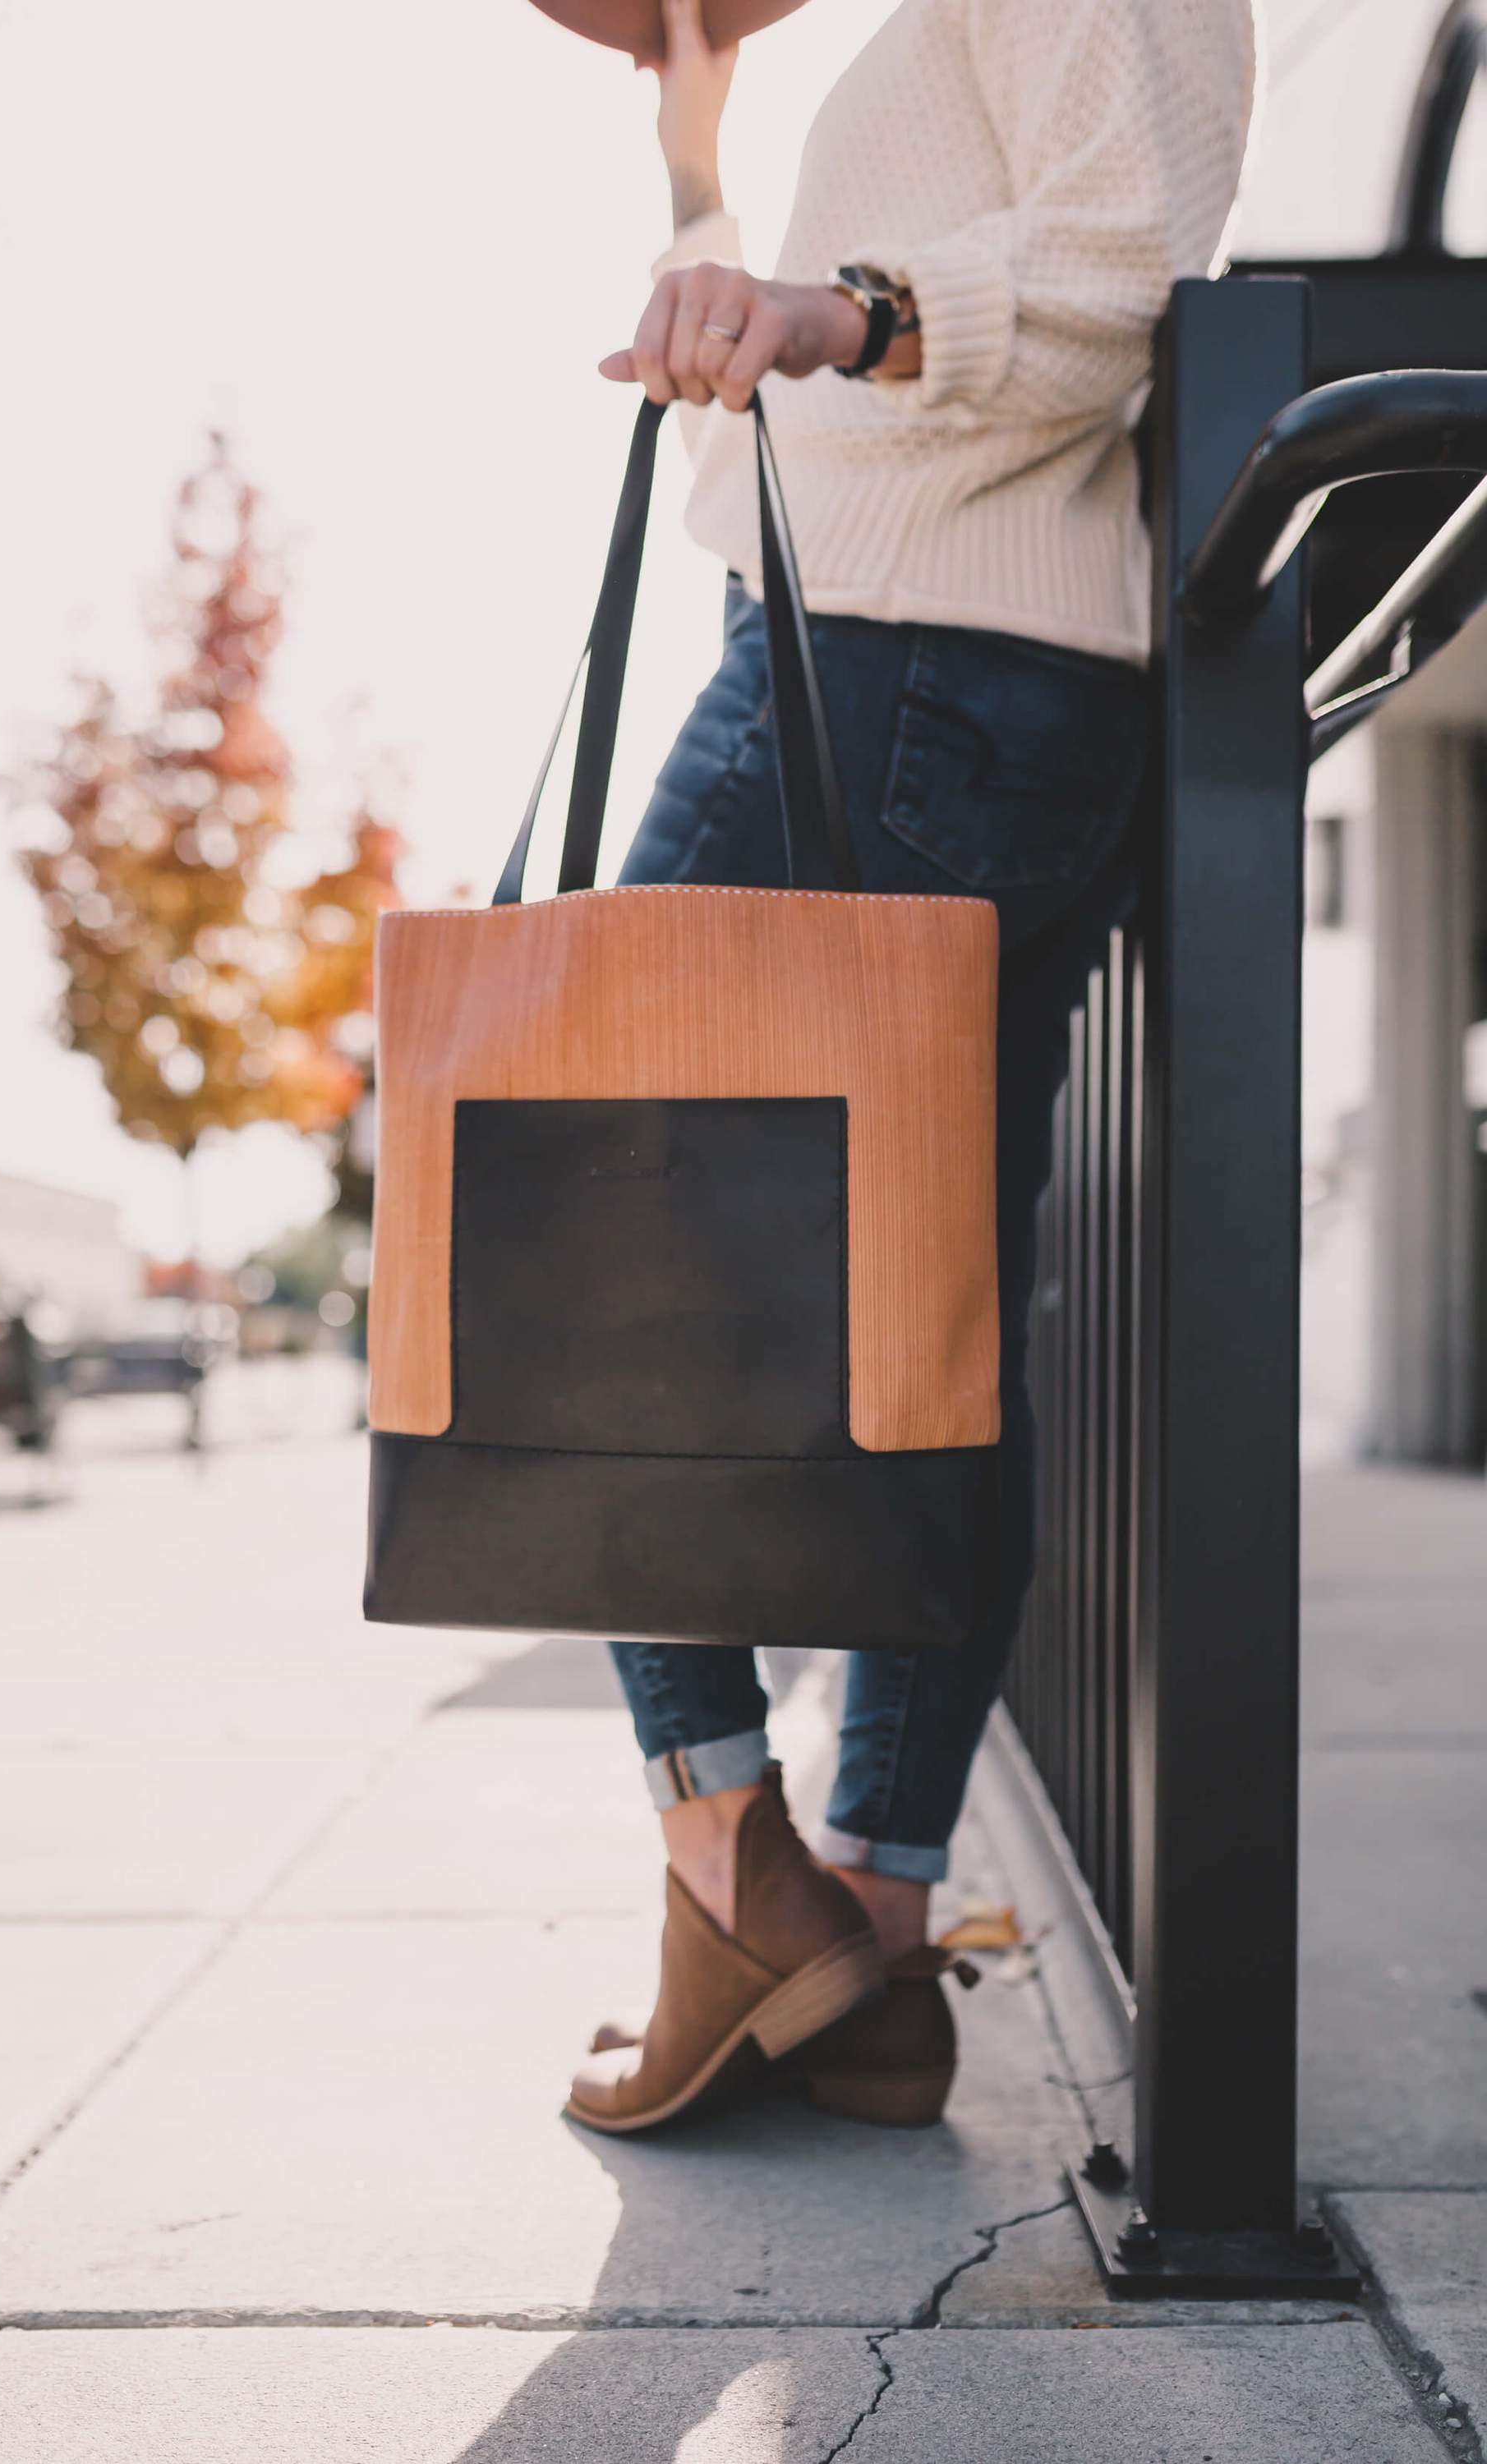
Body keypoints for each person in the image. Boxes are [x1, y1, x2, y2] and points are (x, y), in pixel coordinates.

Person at [566, 0, 1255, 2135]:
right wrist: (702, 142)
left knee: (568, 1195)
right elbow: (798, 390)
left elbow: (1119, 267)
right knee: (934, 1308)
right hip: (961, 680)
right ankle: (862, 1946)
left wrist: (822, 306)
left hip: (888, 664)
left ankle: (725, 1857)